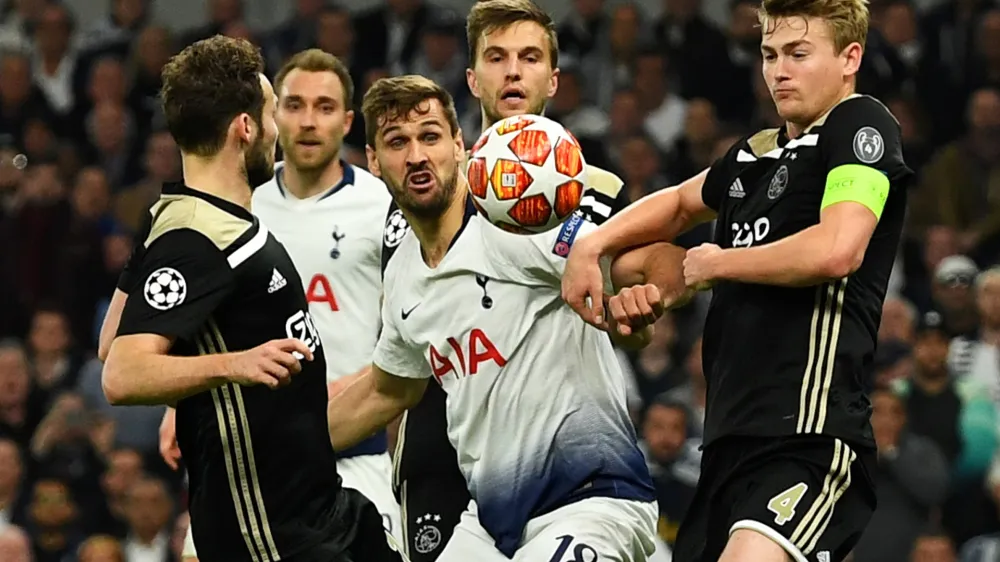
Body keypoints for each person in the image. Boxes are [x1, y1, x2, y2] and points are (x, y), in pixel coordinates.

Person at [561, 0, 914, 559]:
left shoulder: (859, 124)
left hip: (808, 434)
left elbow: (838, 250)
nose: (779, 70)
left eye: (799, 54)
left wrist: (714, 262)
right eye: (770, 54)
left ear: (851, 57)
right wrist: (594, 245)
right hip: (727, 442)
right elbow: (678, 203)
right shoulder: (755, 154)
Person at [326, 74, 688, 562]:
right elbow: (388, 390)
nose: (416, 156)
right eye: (397, 142)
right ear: (373, 160)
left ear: (460, 146)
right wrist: (280, 450)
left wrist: (649, 296)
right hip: (491, 523)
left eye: (430, 137)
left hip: (592, 501)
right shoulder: (405, 275)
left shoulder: (522, 224)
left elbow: (655, 259)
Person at [101, 36, 402, 562]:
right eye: (270, 114)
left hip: (318, 499)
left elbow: (110, 338)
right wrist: (234, 364)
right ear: (245, 128)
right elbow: (121, 371)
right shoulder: (196, 240)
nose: (277, 131)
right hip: (269, 528)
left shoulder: (186, 221)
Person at [387, 2, 637, 560]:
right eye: (496, 58)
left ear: (553, 77)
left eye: (529, 58)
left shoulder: (593, 190)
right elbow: (394, 341)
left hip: (555, 460)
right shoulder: (424, 188)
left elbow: (645, 272)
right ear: (472, 77)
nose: (513, 72)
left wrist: (653, 298)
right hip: (436, 436)